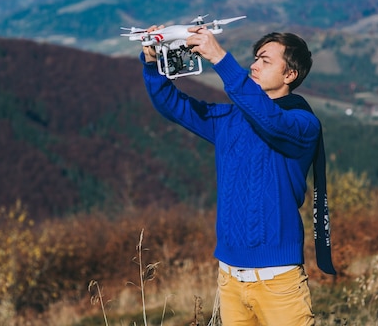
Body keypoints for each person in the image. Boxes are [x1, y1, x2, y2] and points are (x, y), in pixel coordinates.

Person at [139, 24, 336, 325]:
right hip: (229, 278)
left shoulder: (302, 125)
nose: (254, 65)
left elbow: (270, 122)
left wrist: (220, 58)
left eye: (265, 61)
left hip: (278, 280)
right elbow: (173, 106)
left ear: (289, 75)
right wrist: (153, 62)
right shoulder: (231, 119)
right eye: (255, 58)